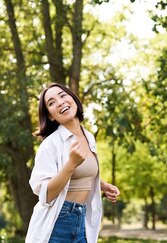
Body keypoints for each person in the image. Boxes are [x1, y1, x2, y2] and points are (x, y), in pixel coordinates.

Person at [26, 83, 120, 243]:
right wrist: (71, 164)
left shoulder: (89, 137)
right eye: (52, 102)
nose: (60, 102)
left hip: (82, 220)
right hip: (57, 222)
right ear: (50, 116)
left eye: (62, 95)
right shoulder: (50, 145)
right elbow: (45, 194)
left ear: (74, 99)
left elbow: (79, 176)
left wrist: (101, 185)